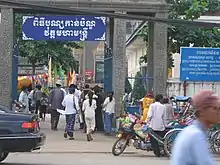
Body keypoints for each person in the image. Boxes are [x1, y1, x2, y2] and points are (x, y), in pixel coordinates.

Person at [171, 90, 220, 165]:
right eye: (215, 108)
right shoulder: (196, 136)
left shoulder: (190, 131)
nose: (218, 112)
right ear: (202, 111)